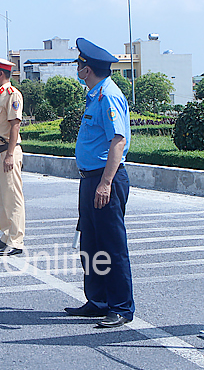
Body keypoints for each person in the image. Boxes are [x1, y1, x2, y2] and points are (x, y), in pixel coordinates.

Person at [64, 38, 134, 329]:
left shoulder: (108, 96)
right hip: (90, 179)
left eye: (80, 65)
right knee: (90, 244)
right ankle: (98, 301)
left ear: (87, 69)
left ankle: (121, 307)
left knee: (111, 245)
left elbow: (118, 141)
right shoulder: (95, 95)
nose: (78, 69)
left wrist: (105, 183)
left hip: (105, 179)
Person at [0, 54, 26, 257]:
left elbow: (14, 125)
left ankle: (16, 241)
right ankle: (6, 235)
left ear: (0, 74)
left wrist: (10, 154)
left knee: (13, 196)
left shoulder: (12, 95)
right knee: (2, 196)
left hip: (8, 152)